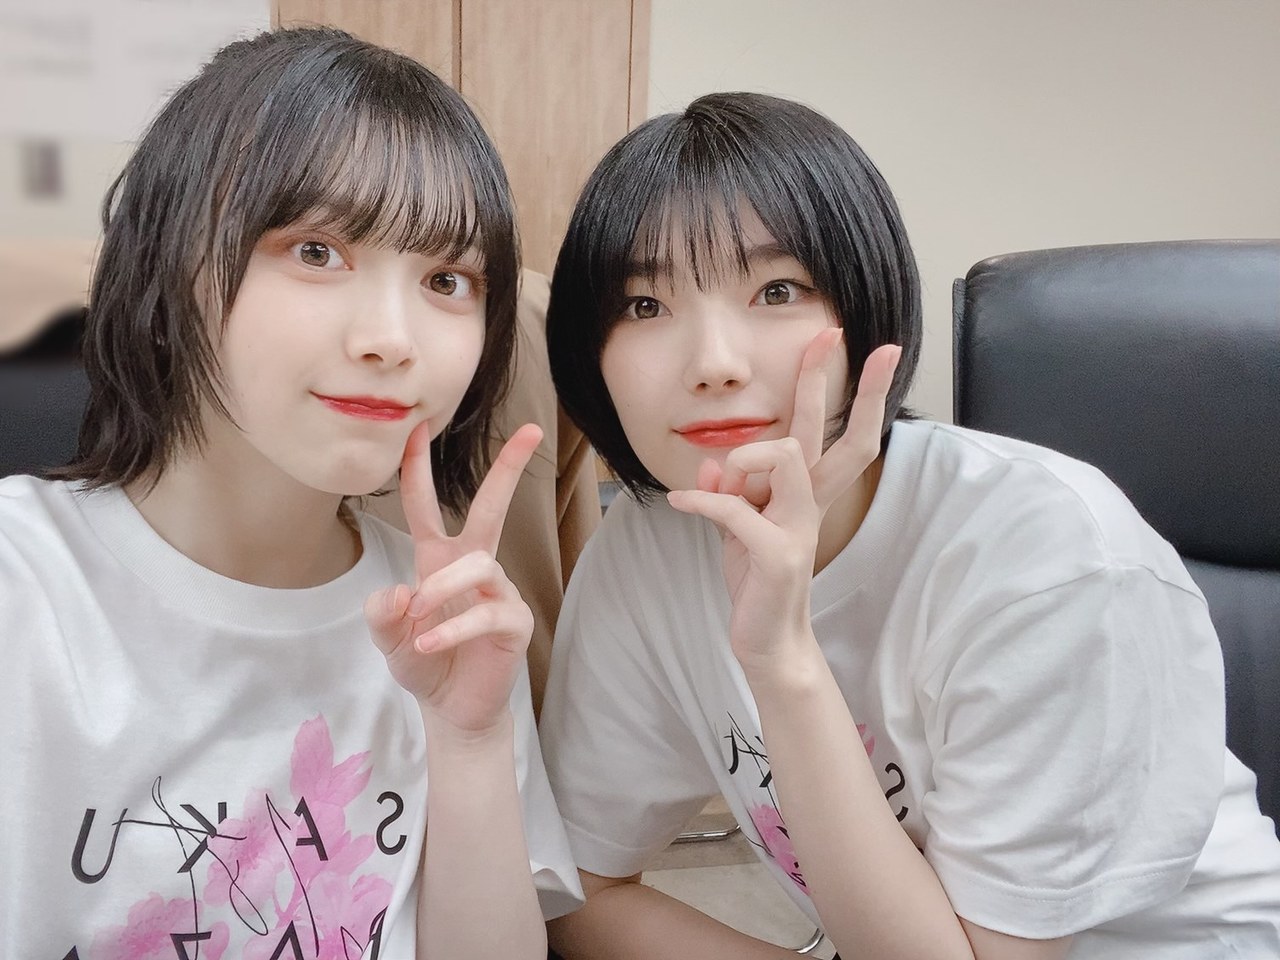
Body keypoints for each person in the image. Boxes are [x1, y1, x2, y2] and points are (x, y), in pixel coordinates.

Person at [539, 92, 1280, 959]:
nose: (714, 364)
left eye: (776, 290)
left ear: (869, 315)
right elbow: (576, 889)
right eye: (643, 305)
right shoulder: (647, 547)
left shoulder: (1046, 557)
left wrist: (782, 660)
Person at [0, 27, 581, 959]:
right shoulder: (24, 590)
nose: (392, 338)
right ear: (170, 263)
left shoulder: (450, 621)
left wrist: (469, 741)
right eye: (316, 251)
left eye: (446, 279)